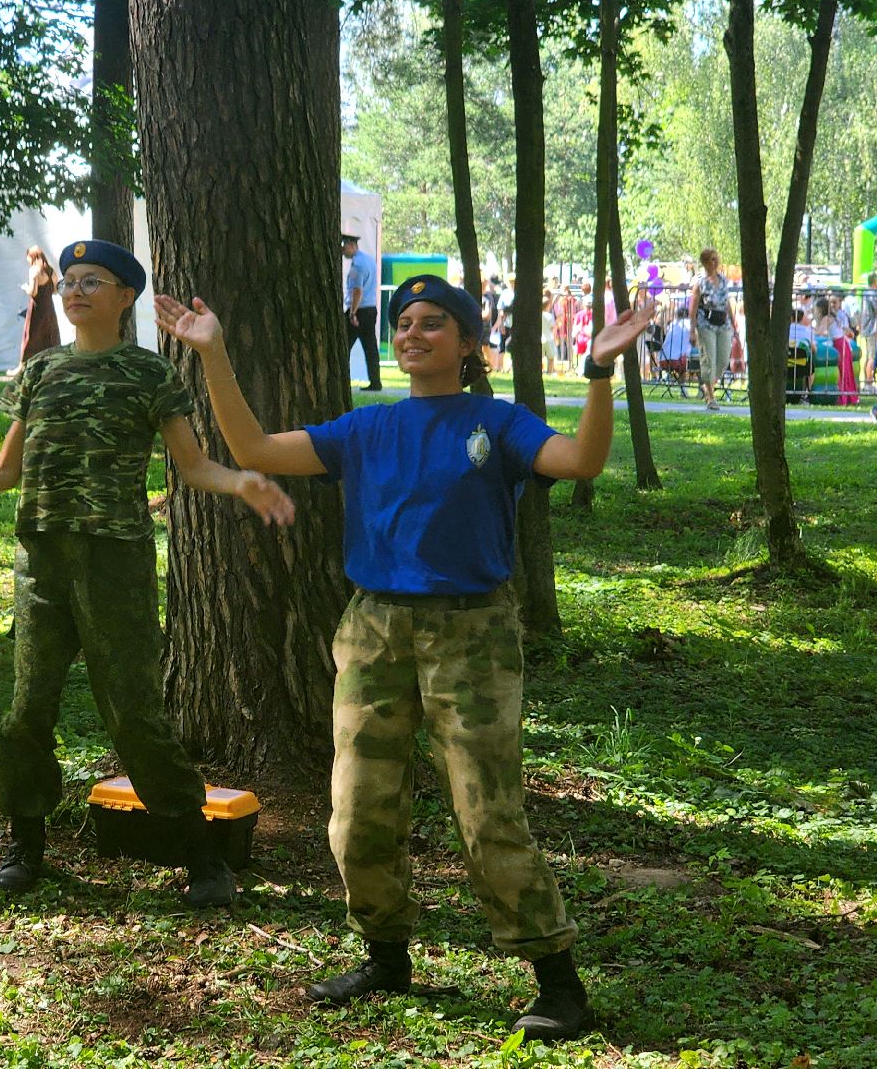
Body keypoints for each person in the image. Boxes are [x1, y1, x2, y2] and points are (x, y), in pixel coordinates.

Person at [152, 275, 654, 1043]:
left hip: (472, 635)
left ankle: (559, 984)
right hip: (374, 630)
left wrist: (599, 370)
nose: (413, 334)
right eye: (404, 324)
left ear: (466, 342)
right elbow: (252, 449)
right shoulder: (366, 430)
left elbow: (582, 460)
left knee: (487, 814)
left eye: (432, 323)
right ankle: (386, 956)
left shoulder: (498, 423)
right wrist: (212, 353)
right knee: (357, 813)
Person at [0, 239, 295, 907]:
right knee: (27, 708)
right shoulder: (40, 372)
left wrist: (242, 483)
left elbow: (192, 465)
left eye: (93, 281)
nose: (75, 291)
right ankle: (25, 846)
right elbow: (5, 470)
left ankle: (202, 854)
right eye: (68, 281)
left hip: (114, 560)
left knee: (134, 715)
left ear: (126, 299)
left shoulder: (150, 375)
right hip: (41, 560)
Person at [688, 248, 739, 410]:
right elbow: (693, 307)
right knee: (708, 359)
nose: (715, 262)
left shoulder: (723, 280)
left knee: (723, 360)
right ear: (704, 262)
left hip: (723, 324)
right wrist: (692, 330)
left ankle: (707, 384)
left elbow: (727, 304)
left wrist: (733, 323)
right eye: (711, 259)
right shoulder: (700, 282)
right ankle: (710, 396)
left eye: (716, 258)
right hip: (706, 324)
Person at [7, 246, 61, 378]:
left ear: (32, 257)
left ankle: (22, 367)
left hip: (37, 308)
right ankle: (54, 366)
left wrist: (26, 288)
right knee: (50, 336)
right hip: (49, 307)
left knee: (30, 337)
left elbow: (33, 291)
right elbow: (55, 290)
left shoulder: (34, 270)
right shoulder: (50, 271)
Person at [343, 232, 381, 391]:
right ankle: (375, 381)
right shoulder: (369, 260)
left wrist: (352, 312)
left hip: (359, 311)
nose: (343, 251)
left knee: (343, 346)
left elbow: (357, 290)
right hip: (370, 309)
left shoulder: (357, 265)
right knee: (371, 348)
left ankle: (341, 381)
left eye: (344, 247)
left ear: (352, 245)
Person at [858, 274, 877, 388]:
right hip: (873, 328)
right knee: (873, 356)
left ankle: (869, 381)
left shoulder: (866, 293)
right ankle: (869, 382)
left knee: (869, 356)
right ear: (875, 281)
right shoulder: (871, 294)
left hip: (869, 328)